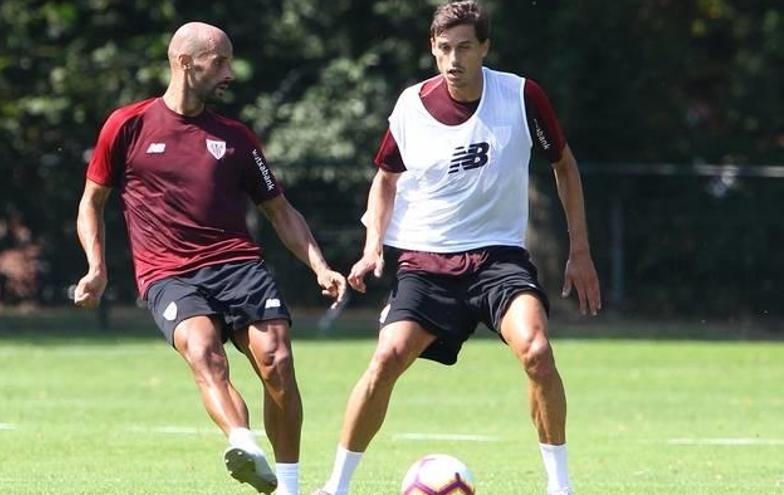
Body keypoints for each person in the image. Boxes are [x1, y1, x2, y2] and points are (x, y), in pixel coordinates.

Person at [312, 2, 600, 495]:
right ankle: (335, 487)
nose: (453, 59)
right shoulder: (410, 106)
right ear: (432, 48)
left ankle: (560, 487)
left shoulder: (521, 95)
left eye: (465, 47)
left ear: (485, 48)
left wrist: (580, 251)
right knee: (386, 360)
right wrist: (372, 247)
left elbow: (564, 166)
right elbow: (385, 179)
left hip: (498, 259)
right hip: (425, 262)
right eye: (444, 48)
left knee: (536, 350)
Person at [73, 22, 346, 495]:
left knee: (277, 361)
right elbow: (91, 202)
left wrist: (319, 265)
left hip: (240, 266)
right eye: (219, 61)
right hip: (169, 273)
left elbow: (279, 210)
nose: (229, 72)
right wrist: (97, 267)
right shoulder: (127, 125)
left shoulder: (236, 137)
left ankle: (290, 488)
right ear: (185, 62)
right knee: (204, 352)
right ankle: (242, 442)